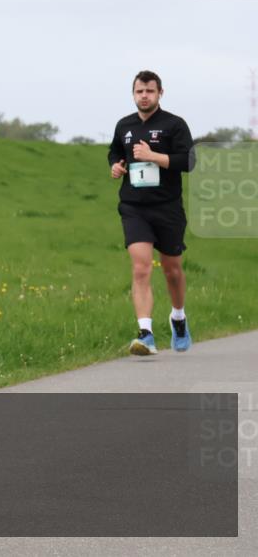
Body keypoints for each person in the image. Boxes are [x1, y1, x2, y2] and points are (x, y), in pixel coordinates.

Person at [108, 70, 195, 356]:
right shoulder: (124, 125)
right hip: (134, 207)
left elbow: (188, 161)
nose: (144, 96)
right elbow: (115, 152)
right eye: (139, 91)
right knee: (141, 267)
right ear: (133, 94)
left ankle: (178, 318)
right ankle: (145, 334)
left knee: (171, 270)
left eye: (149, 91)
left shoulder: (174, 124)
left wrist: (153, 156)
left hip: (167, 207)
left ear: (160, 93)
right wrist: (116, 166)